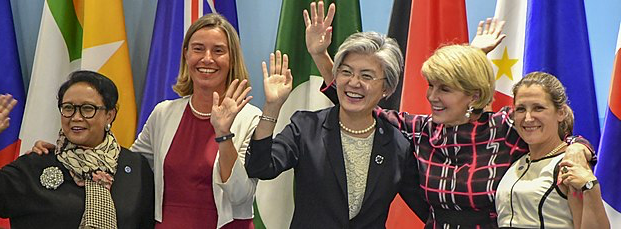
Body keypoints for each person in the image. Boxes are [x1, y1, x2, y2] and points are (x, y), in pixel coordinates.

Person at [305, 2, 595, 228]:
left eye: (444, 89)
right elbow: (360, 103)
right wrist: (322, 57)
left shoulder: (505, 127)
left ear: (474, 95)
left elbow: (561, 138)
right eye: (431, 86)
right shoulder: (421, 131)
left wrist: (580, 151)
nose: (431, 97)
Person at [30, 13, 260, 228]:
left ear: (232, 59)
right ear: (186, 55)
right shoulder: (163, 114)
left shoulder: (249, 118)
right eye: (198, 49)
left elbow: (241, 195)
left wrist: (223, 133)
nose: (207, 59)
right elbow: (124, 166)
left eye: (218, 50)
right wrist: (62, 154)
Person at [237, 32, 429, 228]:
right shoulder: (306, 127)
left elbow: (427, 210)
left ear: (386, 88)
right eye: (346, 72)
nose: (354, 83)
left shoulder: (398, 145)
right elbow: (260, 167)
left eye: (366, 76)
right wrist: (272, 106)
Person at [0, 71, 154, 228]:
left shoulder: (135, 166)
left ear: (109, 114)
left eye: (88, 109)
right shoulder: (37, 162)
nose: (76, 117)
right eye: (68, 108)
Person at [495, 72, 609, 228]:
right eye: (521, 109)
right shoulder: (516, 161)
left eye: (538, 108)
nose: (528, 118)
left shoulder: (569, 164)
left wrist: (591, 187)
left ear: (560, 113)